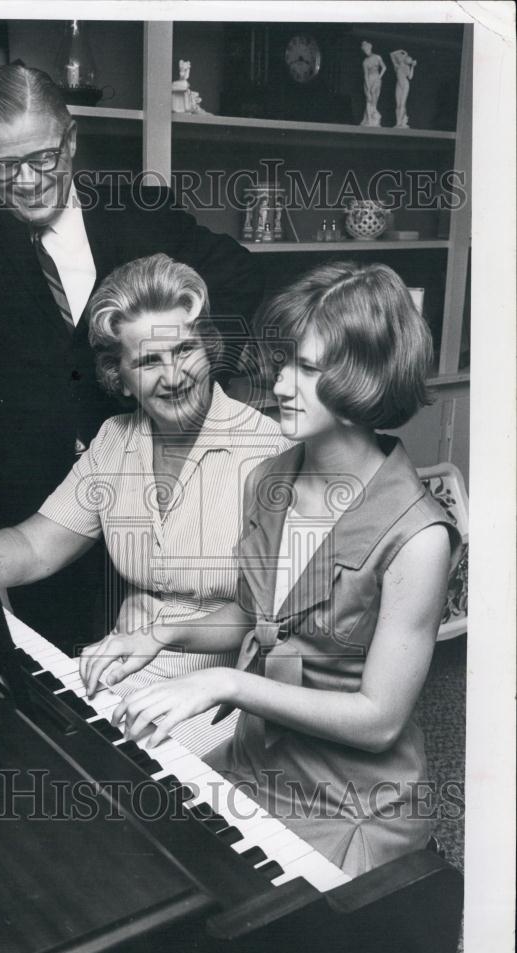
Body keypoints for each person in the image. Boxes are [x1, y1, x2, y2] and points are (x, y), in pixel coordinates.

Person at [0, 63, 269, 650]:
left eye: (44, 158)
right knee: (62, 668)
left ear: (72, 139)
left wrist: (195, 378)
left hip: (151, 473)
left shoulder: (139, 208)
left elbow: (240, 272)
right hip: (32, 492)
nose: (28, 180)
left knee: (175, 639)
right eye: (6, 166)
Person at [80, 261, 460, 876]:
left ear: (363, 378)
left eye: (307, 370)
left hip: (349, 802)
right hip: (253, 762)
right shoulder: (271, 478)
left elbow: (378, 721)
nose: (281, 384)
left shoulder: (418, 537)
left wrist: (225, 684)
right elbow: (260, 617)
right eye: (285, 363)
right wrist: (158, 635)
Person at [0, 254, 285, 756]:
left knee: (122, 794)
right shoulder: (115, 440)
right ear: (119, 374)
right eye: (147, 361)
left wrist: (161, 634)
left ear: (210, 347)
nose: (173, 375)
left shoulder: (270, 452)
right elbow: (34, 545)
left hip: (222, 698)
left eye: (185, 349)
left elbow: (270, 617)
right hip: (122, 671)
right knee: (21, 746)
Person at [360, 41, 386, 127]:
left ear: (370, 48)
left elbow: (384, 68)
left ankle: (372, 118)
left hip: (377, 78)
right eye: (364, 50)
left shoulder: (377, 57)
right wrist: (367, 87)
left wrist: (379, 78)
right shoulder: (365, 61)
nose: (366, 51)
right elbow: (365, 75)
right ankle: (369, 120)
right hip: (369, 80)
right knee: (369, 98)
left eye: (366, 49)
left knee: (375, 99)